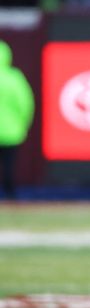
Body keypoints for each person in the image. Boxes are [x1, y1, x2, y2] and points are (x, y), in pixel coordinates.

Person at [0, 41, 35, 199]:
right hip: (11, 130)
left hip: (11, 130)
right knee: (8, 165)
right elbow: (25, 103)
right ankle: (9, 195)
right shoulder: (14, 79)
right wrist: (23, 124)